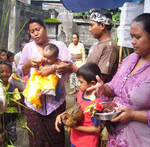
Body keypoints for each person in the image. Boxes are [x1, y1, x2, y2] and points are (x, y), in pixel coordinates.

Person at [87, 13, 150, 147]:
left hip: (139, 140)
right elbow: (114, 87)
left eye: (137, 37)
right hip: (116, 138)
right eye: (132, 36)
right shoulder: (129, 59)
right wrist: (103, 88)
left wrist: (133, 115)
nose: (133, 41)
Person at [17, 17, 71, 147]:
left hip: (56, 103)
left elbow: (69, 66)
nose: (35, 33)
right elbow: (20, 71)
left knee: (56, 137)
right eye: (32, 31)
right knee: (36, 138)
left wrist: (52, 68)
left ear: (45, 28)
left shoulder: (59, 46)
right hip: (33, 104)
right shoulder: (28, 48)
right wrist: (29, 63)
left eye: (38, 29)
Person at [56, 9, 119, 84]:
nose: (89, 29)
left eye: (92, 25)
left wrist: (75, 69)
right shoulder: (96, 45)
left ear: (102, 25)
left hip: (98, 94)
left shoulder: (110, 47)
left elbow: (99, 78)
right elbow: (88, 70)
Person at [55, 62, 102, 147]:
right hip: (75, 140)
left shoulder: (96, 104)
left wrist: (75, 127)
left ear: (92, 83)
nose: (78, 84)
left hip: (87, 143)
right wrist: (61, 115)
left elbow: (97, 129)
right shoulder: (80, 93)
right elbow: (75, 109)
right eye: (78, 81)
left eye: (81, 82)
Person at [23, 43, 63, 110]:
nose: (46, 59)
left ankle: (41, 93)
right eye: (44, 56)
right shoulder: (41, 60)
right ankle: (35, 93)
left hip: (51, 80)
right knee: (34, 81)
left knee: (52, 85)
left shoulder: (58, 62)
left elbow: (61, 70)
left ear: (55, 57)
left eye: (49, 58)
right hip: (41, 79)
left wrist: (54, 68)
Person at [0, 60, 21, 145]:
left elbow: (18, 102)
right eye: (1, 71)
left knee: (11, 130)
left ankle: (12, 143)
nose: (4, 74)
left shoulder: (13, 87)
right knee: (2, 132)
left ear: (11, 73)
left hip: (10, 114)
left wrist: (8, 104)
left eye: (7, 72)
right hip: (1, 114)